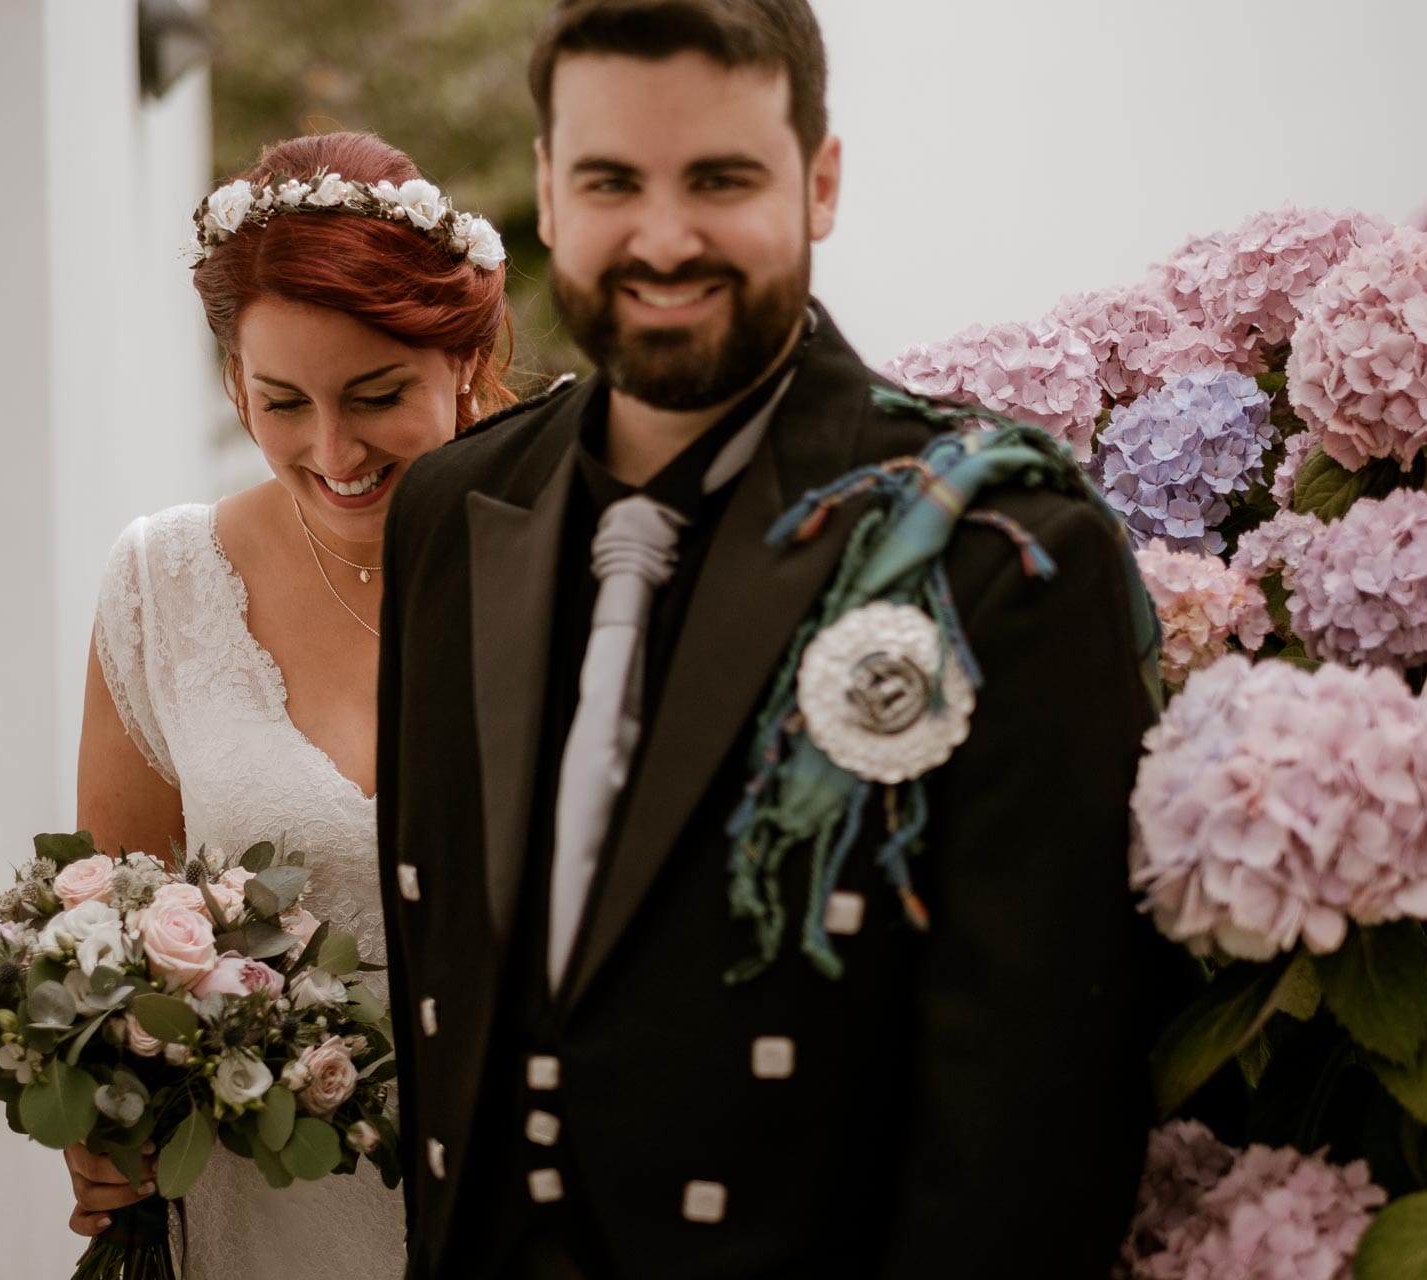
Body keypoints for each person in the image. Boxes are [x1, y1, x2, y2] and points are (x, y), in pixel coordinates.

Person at [376, 3, 1163, 1277]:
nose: (663, 235)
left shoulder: (997, 550)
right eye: (610, 180)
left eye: (721, 178)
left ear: (821, 182)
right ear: (545, 190)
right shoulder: (448, 516)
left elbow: (1031, 1137)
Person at [67, 131, 512, 1277]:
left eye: (377, 395)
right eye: (281, 401)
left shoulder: (571, 561)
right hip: (259, 1216)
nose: (332, 449)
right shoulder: (161, 585)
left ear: (461, 361)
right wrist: (95, 1111)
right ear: (232, 384)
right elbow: (110, 932)